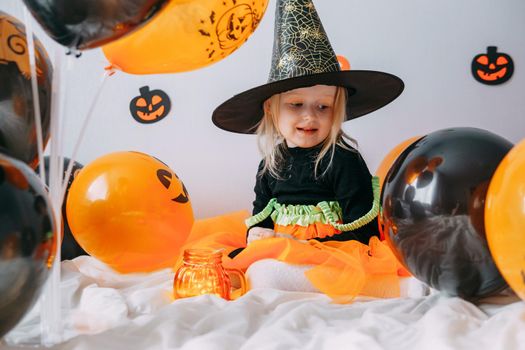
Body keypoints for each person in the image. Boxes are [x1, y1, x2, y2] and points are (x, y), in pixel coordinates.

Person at [203, 0, 411, 302]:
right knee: (243, 267)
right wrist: (257, 236)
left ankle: (371, 286)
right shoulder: (269, 165)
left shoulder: (343, 160)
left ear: (336, 110)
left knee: (269, 274)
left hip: (336, 251)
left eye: (323, 107)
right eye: (296, 105)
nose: (309, 117)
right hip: (282, 250)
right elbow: (261, 214)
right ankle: (284, 279)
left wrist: (305, 248)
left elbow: (364, 232)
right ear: (272, 111)